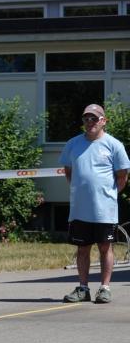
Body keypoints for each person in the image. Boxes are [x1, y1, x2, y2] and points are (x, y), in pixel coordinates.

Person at [60, 103, 129, 304]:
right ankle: (83, 288)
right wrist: (81, 192)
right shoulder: (73, 144)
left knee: (105, 247)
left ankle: (104, 288)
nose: (90, 122)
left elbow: (122, 176)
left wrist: (108, 195)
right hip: (80, 209)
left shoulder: (114, 145)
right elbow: (69, 172)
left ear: (103, 121)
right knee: (82, 249)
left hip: (104, 210)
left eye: (94, 118)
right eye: (86, 118)